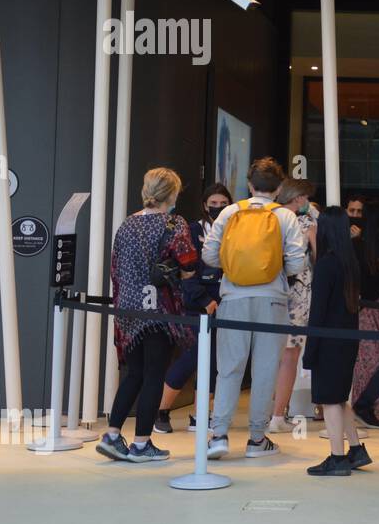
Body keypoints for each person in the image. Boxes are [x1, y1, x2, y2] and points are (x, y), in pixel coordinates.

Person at [201, 157, 308, 460]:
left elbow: (209, 255)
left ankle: (218, 435)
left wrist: (234, 267)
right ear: (279, 187)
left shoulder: (229, 212)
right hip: (272, 299)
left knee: (229, 369)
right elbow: (298, 262)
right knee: (264, 370)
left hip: (233, 297)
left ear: (249, 184)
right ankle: (257, 439)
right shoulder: (285, 217)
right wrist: (273, 269)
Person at [97, 167, 198, 463]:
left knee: (135, 373)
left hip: (128, 309)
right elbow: (189, 263)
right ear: (172, 194)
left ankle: (113, 435)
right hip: (158, 309)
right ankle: (142, 443)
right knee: (155, 375)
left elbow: (115, 269)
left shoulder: (126, 225)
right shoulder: (174, 223)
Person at [155, 182, 231, 433]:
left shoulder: (233, 230)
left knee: (212, 361)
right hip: (195, 302)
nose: (218, 208)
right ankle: (161, 410)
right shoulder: (191, 229)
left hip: (224, 301)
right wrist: (203, 299)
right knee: (191, 358)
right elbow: (186, 270)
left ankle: (201, 414)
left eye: (223, 204)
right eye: (214, 204)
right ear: (204, 205)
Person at [304, 207, 371, 477]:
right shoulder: (349, 262)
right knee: (340, 397)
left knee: (331, 400)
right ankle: (355, 449)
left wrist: (310, 351)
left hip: (328, 341)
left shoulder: (325, 265)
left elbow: (317, 312)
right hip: (347, 339)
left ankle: (337, 456)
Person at [269, 178, 317, 434]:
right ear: (298, 198)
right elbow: (320, 257)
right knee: (290, 357)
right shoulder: (305, 222)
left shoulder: (268, 218)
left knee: (268, 355)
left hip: (269, 290)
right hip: (298, 296)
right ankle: (278, 415)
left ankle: (263, 412)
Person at [349, 201, 379, 427]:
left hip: (364, 306)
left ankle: (365, 403)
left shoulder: (356, 245)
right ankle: (373, 404)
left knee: (367, 359)